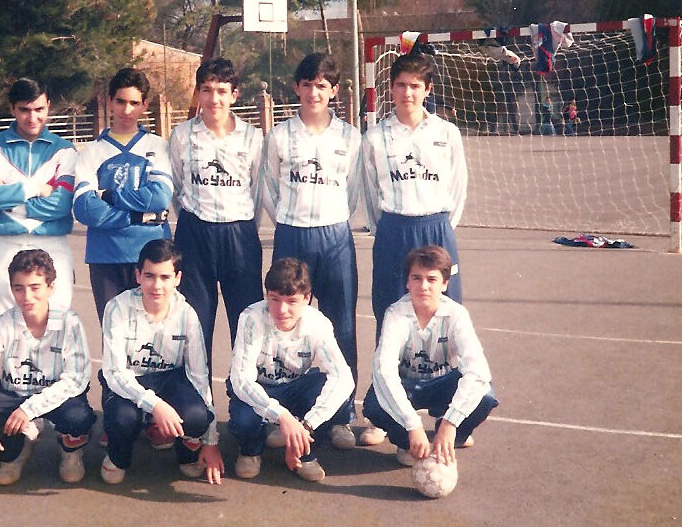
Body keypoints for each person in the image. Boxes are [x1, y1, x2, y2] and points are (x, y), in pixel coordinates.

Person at [360, 53, 467, 446]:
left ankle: (447, 415)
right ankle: (384, 412)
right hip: (394, 230)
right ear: (391, 88)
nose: (408, 92)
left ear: (428, 90)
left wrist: (440, 231)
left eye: (416, 86)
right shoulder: (374, 138)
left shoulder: (447, 133)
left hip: (437, 228)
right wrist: (388, 227)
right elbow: (370, 195)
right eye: (401, 84)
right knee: (390, 318)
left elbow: (458, 188)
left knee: (445, 323)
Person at [259, 53, 363, 451]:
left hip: (335, 236)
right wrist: (288, 218)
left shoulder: (350, 137)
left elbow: (354, 192)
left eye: (323, 85)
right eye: (308, 84)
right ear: (297, 88)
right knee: (282, 325)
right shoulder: (280, 136)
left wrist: (334, 217)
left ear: (334, 91)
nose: (314, 91)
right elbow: (268, 188)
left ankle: (340, 416)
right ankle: (278, 411)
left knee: (341, 326)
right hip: (291, 235)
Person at [0, 249, 96, 485]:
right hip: (15, 393)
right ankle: (14, 453)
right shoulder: (5, 323)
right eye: (18, 288)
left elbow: (76, 378)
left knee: (79, 417)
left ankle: (70, 453)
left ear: (50, 287)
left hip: (55, 397)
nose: (26, 296)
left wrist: (29, 409)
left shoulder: (69, 322)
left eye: (35, 287)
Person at [98, 239, 224, 485]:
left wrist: (211, 440)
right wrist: (156, 406)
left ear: (177, 278)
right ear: (137, 275)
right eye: (149, 276)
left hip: (170, 378)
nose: (157, 285)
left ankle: (189, 452)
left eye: (165, 277)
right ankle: (117, 458)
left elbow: (199, 376)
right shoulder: (117, 308)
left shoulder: (187, 314)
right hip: (129, 379)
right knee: (123, 418)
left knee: (197, 416)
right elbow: (114, 372)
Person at [362, 246, 498, 467]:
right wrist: (412, 425)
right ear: (407, 282)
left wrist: (451, 422)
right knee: (375, 404)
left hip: (443, 383)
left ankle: (451, 437)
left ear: (444, 284)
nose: (423, 286)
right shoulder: (396, 314)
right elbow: (383, 371)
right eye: (416, 278)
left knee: (484, 395)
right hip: (408, 384)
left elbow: (478, 370)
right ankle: (407, 442)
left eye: (432, 279)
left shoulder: (457, 315)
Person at [168, 57, 264, 366]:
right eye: (207, 90)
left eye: (222, 91)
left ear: (234, 95)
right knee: (195, 320)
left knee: (246, 318)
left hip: (239, 233)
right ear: (198, 94)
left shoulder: (252, 137)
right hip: (195, 232)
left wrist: (245, 224)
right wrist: (191, 217)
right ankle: (199, 402)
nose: (214, 99)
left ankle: (245, 399)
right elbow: (176, 185)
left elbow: (258, 190)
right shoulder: (183, 135)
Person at [227, 258, 353, 482]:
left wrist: (307, 425)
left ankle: (306, 454)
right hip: (261, 386)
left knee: (333, 394)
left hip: (295, 386)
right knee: (244, 420)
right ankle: (251, 451)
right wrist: (283, 417)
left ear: (307, 298)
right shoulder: (251, 318)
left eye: (292, 301)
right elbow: (242, 380)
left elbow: (343, 377)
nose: (282, 310)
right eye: (275, 299)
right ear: (266, 295)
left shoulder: (318, 323)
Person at [74, 68, 173, 318]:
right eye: (120, 101)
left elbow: (160, 196)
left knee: (154, 335)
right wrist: (138, 217)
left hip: (152, 255)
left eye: (134, 103)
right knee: (114, 337)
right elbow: (85, 209)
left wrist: (108, 196)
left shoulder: (158, 146)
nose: (127, 110)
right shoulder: (91, 152)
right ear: (109, 101)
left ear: (144, 105)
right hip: (105, 256)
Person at [0, 79, 77, 315]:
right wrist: (34, 188)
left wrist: (7, 201)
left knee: (57, 320)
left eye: (39, 109)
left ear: (48, 106)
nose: (32, 118)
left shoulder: (64, 150)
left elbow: (61, 205)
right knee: (10, 324)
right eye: (24, 110)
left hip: (52, 244)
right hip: (4, 245)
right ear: (12, 109)